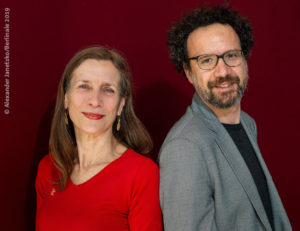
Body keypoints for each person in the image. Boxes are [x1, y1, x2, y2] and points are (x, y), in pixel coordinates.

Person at [158, 5, 292, 231]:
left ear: (245, 60)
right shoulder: (184, 147)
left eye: (231, 55)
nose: (223, 71)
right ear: (189, 72)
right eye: (207, 60)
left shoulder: (247, 123)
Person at [35, 46, 162, 231]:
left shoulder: (141, 173)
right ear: (66, 99)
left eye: (108, 90)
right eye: (84, 86)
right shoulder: (48, 167)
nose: (95, 100)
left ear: (121, 104)